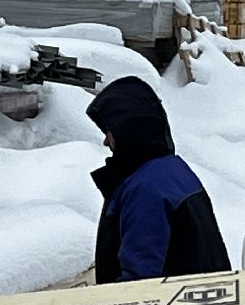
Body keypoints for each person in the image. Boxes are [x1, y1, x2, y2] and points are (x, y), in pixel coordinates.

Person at [85, 76, 230, 284]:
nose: (106, 140)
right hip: (199, 303)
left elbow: (140, 281)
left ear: (128, 129)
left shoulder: (146, 189)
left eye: (109, 131)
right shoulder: (172, 170)